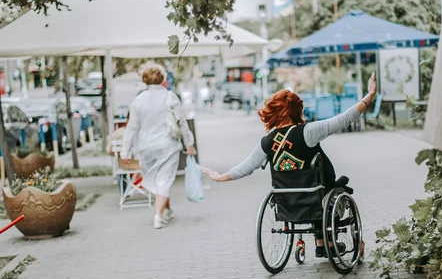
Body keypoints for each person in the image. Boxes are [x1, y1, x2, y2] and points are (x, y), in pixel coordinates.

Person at [201, 73, 377, 257]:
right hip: (317, 193)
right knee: (324, 189)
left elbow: (246, 167)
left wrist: (220, 177)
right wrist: (369, 94)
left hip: (286, 198)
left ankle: (320, 243)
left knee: (315, 191)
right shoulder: (308, 132)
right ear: (297, 111)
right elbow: (344, 119)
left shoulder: (267, 142)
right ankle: (328, 244)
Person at [121, 64, 197, 229]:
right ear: (163, 79)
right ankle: (159, 216)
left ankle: (167, 210)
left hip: (146, 148)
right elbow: (182, 122)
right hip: (168, 145)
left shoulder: (138, 100)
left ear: (144, 80)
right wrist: (189, 144)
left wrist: (124, 152)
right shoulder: (170, 97)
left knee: (158, 180)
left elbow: (132, 128)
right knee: (164, 180)